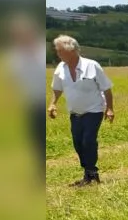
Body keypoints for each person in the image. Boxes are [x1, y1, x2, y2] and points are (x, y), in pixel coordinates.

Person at [48, 35, 115, 186]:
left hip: (94, 110)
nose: (58, 54)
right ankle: (88, 173)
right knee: (78, 143)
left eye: (60, 51)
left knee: (88, 141)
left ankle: (92, 175)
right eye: (57, 51)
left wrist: (109, 109)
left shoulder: (92, 65)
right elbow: (57, 89)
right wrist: (53, 104)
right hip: (75, 113)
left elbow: (107, 88)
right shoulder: (60, 68)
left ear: (71, 50)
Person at [6, 13, 47, 179]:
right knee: (34, 139)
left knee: (41, 137)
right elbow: (13, 82)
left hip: (41, 102)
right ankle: (39, 172)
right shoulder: (14, 57)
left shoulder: (41, 53)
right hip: (28, 103)